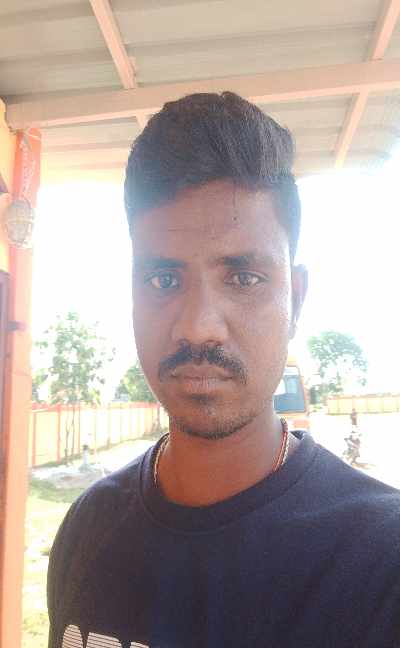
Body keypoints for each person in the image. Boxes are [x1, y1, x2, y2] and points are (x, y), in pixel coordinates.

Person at [47, 92, 400, 648]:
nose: (198, 327)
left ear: (297, 299)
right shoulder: (89, 527)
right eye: (163, 280)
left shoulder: (379, 561)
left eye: (243, 278)